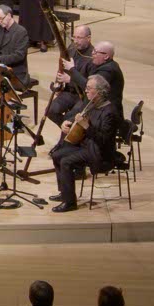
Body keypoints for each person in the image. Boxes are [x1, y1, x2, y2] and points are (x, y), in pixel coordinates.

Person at [50, 74, 123, 212]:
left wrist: (86, 126)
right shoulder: (93, 105)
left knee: (66, 161)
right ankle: (65, 193)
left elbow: (103, 140)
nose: (86, 91)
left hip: (100, 153)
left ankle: (70, 203)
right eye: (86, 88)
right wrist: (69, 122)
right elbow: (80, 117)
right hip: (88, 147)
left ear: (100, 92)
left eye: (89, 88)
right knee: (57, 155)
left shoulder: (110, 112)